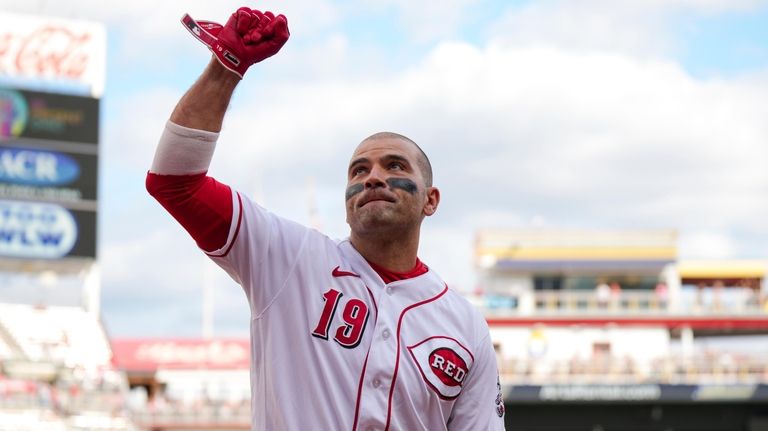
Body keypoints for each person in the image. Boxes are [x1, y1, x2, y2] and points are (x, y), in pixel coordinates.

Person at [146, 6, 506, 430]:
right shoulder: (289, 258)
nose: (374, 177)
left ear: (431, 200)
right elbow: (174, 183)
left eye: (395, 167)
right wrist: (226, 67)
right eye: (359, 170)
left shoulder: (464, 325)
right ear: (346, 199)